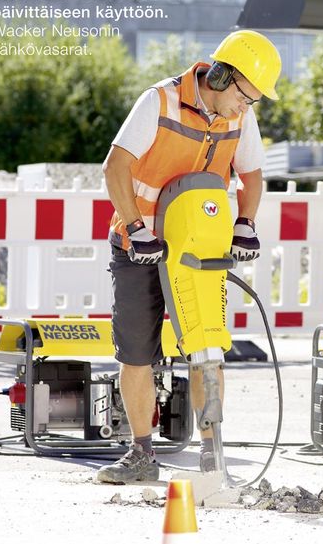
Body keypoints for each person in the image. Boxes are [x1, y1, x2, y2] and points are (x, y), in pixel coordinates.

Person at [96, 30, 281, 483]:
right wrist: (136, 227)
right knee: (137, 353)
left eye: (254, 101)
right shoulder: (157, 102)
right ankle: (141, 456)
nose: (246, 107)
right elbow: (115, 165)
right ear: (220, 76)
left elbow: (252, 174)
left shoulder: (239, 117)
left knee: (206, 345)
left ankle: (211, 455)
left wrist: (246, 222)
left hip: (198, 248)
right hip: (140, 244)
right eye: (245, 96)